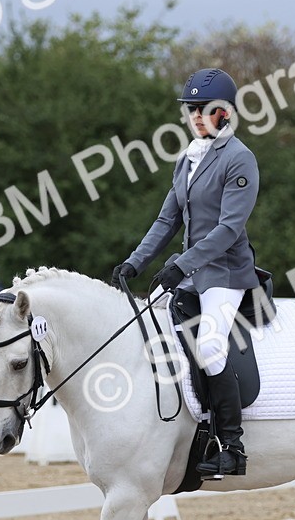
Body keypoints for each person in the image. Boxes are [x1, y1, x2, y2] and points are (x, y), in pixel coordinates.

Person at [111, 68, 259, 480]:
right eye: (191, 109)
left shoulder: (239, 158)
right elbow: (167, 219)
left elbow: (228, 229)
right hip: (191, 272)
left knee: (210, 348)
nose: (196, 115)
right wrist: (135, 261)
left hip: (225, 275)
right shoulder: (189, 159)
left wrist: (180, 264)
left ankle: (231, 445)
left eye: (204, 109)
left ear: (225, 112)